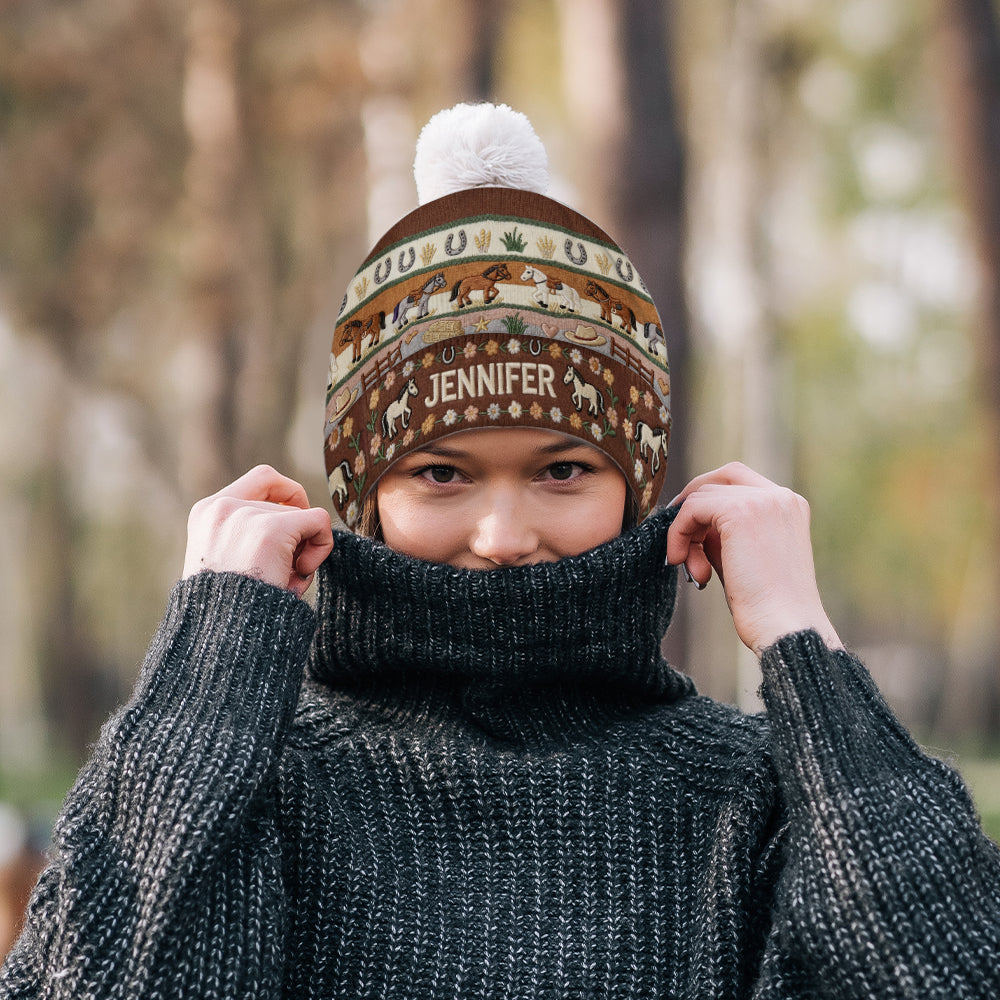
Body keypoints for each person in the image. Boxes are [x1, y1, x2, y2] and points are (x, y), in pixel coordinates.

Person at [2, 103, 998, 999]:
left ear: (635, 485)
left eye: (563, 469)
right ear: (364, 494)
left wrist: (803, 645)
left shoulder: (748, 797)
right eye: (440, 473)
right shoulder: (260, 784)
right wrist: (201, 687)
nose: (505, 534)